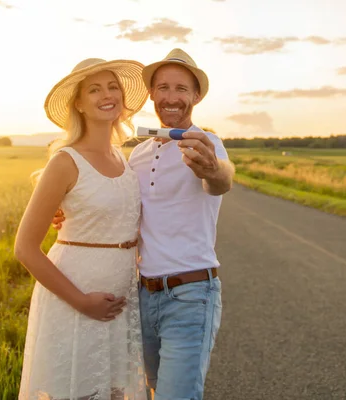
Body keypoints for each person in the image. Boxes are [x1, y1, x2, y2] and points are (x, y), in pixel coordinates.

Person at [53, 48, 235, 400]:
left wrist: (213, 170)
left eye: (181, 89)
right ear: (152, 94)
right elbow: (120, 211)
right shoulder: (137, 154)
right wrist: (66, 209)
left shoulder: (207, 144)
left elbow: (221, 181)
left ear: (196, 96)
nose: (171, 97)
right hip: (142, 297)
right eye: (163, 88)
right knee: (151, 391)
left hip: (190, 295)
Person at [13, 57, 150, 400]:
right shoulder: (65, 161)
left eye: (113, 86)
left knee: (116, 391)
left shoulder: (125, 159)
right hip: (74, 297)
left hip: (121, 300)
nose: (107, 95)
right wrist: (81, 301)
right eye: (94, 89)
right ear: (79, 103)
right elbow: (25, 248)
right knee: (77, 390)